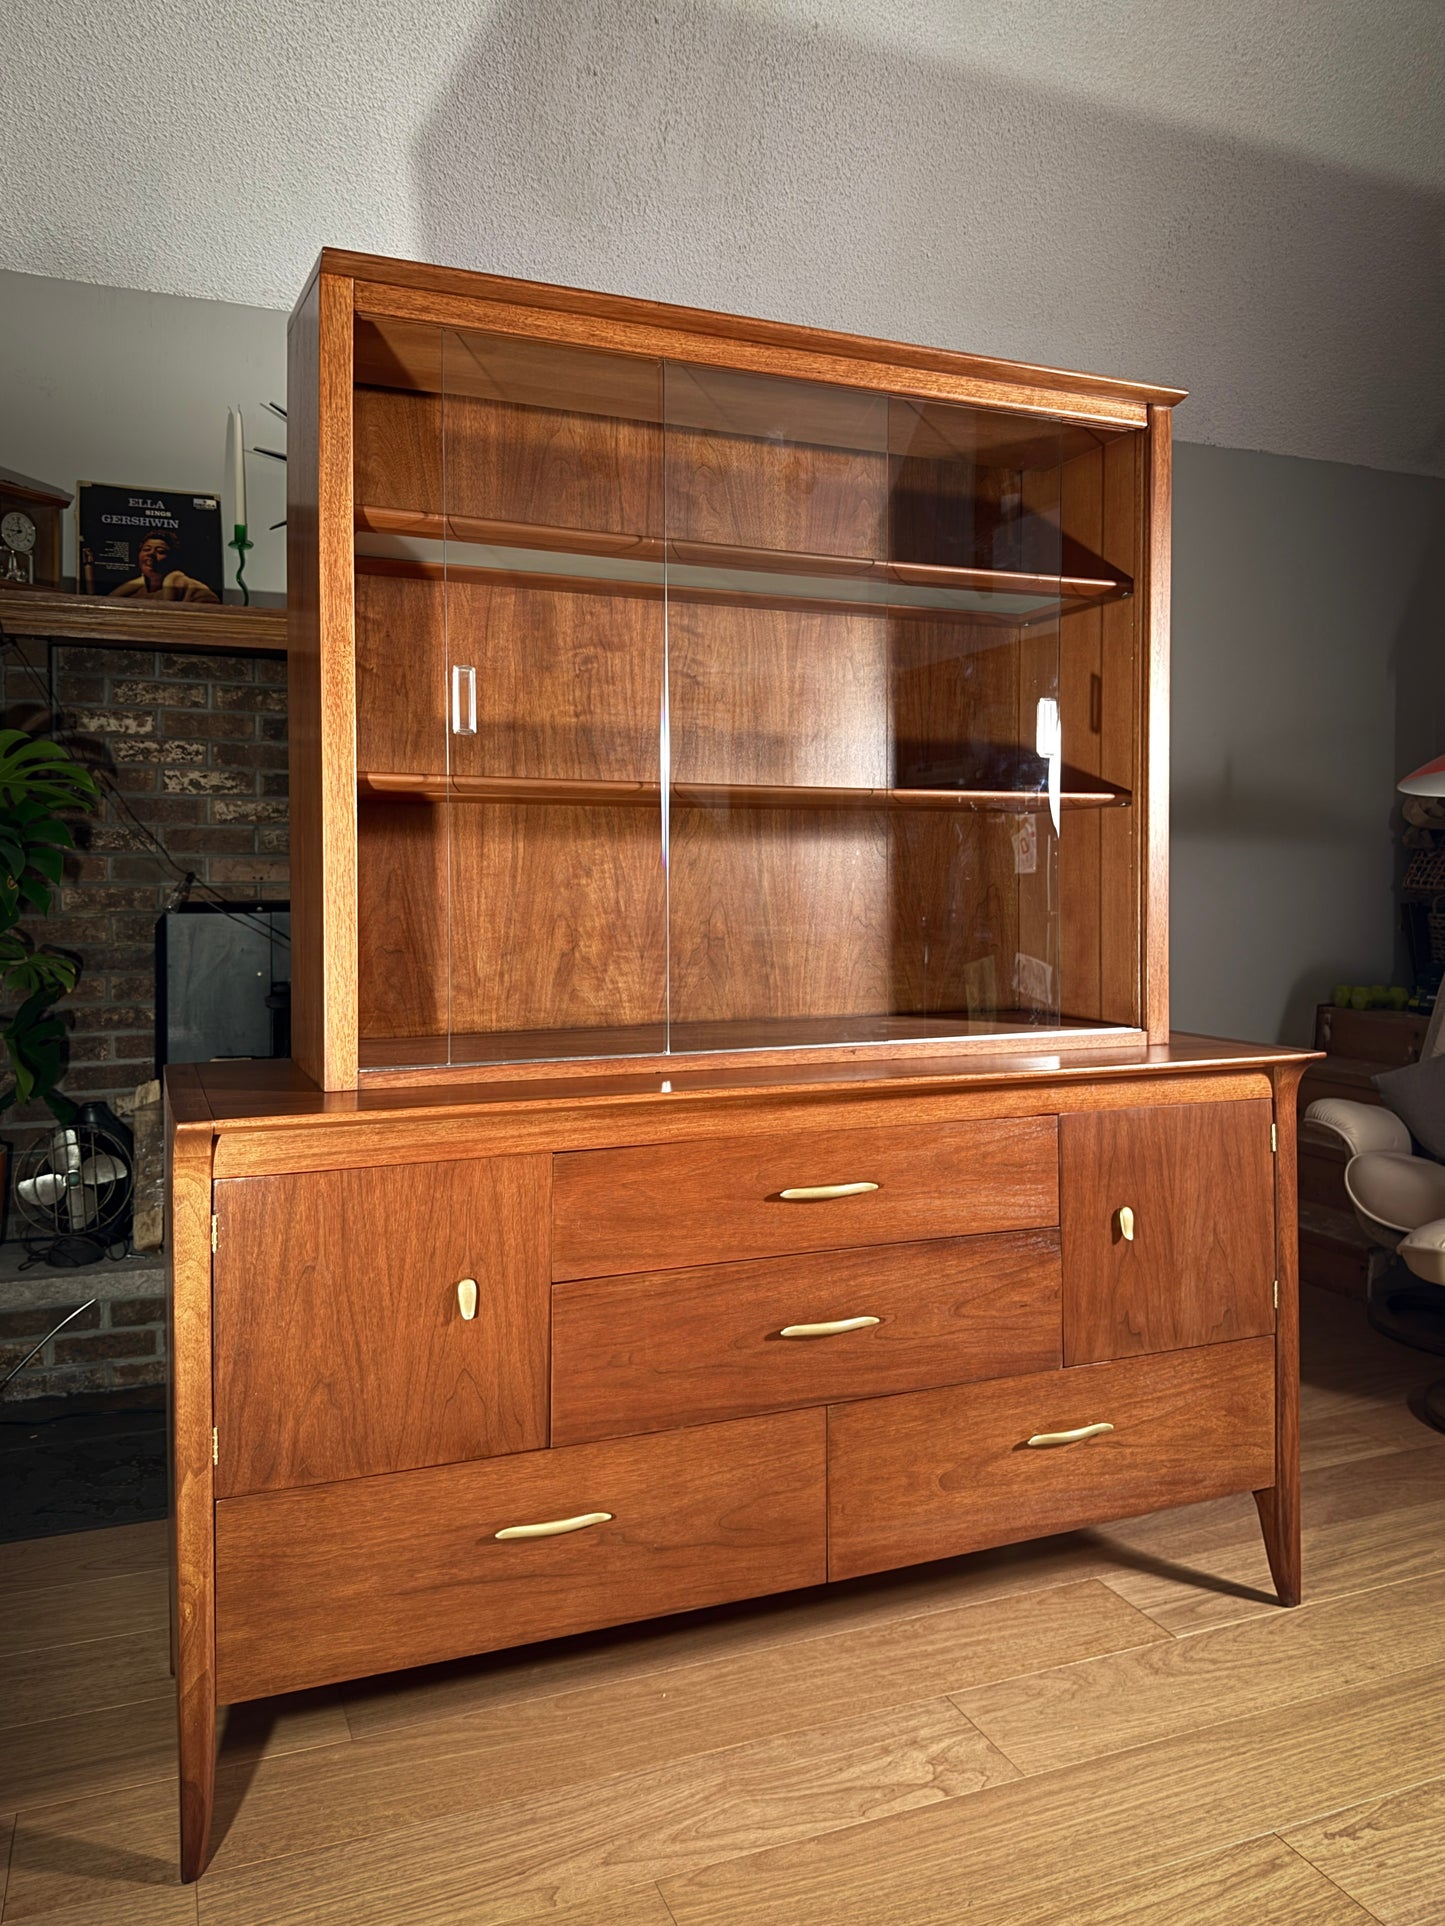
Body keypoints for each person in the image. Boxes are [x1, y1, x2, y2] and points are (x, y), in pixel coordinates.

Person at [108, 532, 218, 602]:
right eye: (146, 549)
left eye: (160, 551)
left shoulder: (195, 591)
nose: (151, 554)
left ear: (173, 558)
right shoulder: (130, 595)